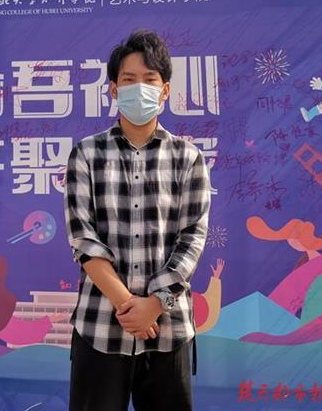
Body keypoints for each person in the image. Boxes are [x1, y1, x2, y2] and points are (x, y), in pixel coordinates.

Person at [63, 29, 211, 411]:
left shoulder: (188, 158)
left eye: (150, 79)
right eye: (128, 80)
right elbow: (83, 238)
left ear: (165, 90)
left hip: (168, 329)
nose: (139, 88)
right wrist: (129, 305)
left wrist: (156, 304)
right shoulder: (86, 154)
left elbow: (192, 237)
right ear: (113, 89)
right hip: (100, 327)